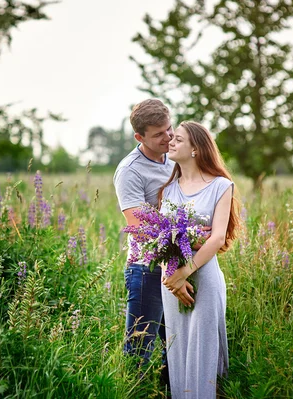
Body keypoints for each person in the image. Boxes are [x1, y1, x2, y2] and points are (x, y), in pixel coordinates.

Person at [158, 121, 240, 398]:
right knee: (178, 348)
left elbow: (216, 238)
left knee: (204, 349)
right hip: (170, 282)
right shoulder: (168, 190)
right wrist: (171, 276)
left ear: (195, 149)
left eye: (178, 140)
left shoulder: (220, 186)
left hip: (204, 277)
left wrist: (185, 271)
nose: (170, 142)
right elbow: (158, 240)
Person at [113, 99, 174, 384]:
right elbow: (138, 228)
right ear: (140, 137)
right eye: (159, 134)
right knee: (140, 351)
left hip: (181, 263)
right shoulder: (130, 171)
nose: (169, 137)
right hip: (147, 268)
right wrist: (174, 268)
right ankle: (134, 391)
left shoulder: (175, 156)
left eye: (170, 128)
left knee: (175, 348)